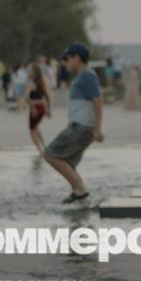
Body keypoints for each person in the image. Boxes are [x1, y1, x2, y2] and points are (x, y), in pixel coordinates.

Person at [44, 43, 103, 203]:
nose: (66, 62)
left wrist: (97, 130)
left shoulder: (87, 76)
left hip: (81, 128)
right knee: (68, 162)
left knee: (50, 154)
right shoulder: (84, 76)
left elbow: (98, 100)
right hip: (81, 127)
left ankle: (80, 190)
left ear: (77, 58)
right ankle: (81, 197)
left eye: (68, 58)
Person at [26, 63, 53, 157]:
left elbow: (27, 98)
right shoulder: (43, 82)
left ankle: (40, 151)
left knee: (32, 130)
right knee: (36, 127)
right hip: (42, 108)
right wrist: (48, 110)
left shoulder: (31, 83)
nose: (28, 72)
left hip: (35, 108)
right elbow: (48, 97)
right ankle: (45, 147)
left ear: (34, 73)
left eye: (30, 71)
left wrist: (32, 108)